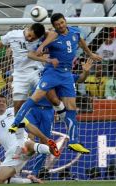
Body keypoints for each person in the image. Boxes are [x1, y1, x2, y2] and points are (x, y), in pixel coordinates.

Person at [10, 13, 102, 154]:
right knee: (35, 97)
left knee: (71, 107)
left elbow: (81, 41)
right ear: (54, 26)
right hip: (52, 72)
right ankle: (16, 123)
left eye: (61, 22)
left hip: (66, 74)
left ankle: (74, 142)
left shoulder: (75, 32)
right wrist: (46, 58)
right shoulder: (52, 36)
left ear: (65, 21)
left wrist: (90, 54)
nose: (60, 25)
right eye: (57, 24)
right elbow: (30, 54)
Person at [0, 23, 64, 115]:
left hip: (36, 72)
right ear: (29, 28)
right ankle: (20, 130)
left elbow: (54, 34)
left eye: (34, 38)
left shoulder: (41, 36)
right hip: (20, 75)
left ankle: (65, 116)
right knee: (18, 109)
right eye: (30, 35)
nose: (30, 39)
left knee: (53, 99)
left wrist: (42, 45)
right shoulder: (13, 34)